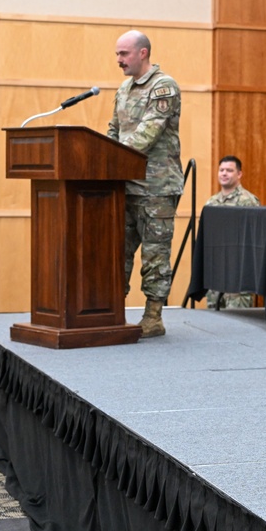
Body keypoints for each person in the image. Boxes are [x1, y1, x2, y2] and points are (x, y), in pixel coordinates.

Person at [107, 30, 183, 338]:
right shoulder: (124, 89)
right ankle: (112, 310)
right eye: (117, 55)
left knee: (155, 254)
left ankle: (153, 317)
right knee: (117, 251)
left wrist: (114, 157)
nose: (119, 60)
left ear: (143, 53)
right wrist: (104, 158)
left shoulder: (164, 86)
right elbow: (114, 129)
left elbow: (148, 135)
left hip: (156, 187)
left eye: (123, 54)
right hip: (125, 185)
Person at [205, 156, 260, 309]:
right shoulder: (211, 203)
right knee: (213, 317)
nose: (224, 174)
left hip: (239, 271)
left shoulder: (248, 201)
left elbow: (254, 238)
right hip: (216, 271)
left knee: (238, 319)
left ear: (239, 174)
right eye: (221, 170)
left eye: (229, 170)